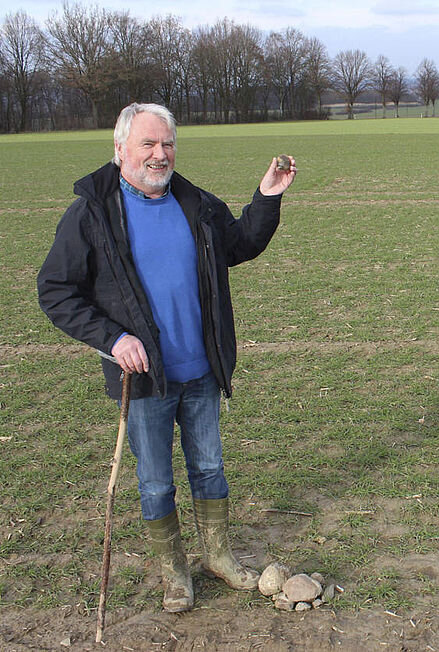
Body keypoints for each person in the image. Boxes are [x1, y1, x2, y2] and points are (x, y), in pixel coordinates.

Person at [37, 102, 296, 612]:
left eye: (167, 144)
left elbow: (240, 243)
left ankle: (218, 558)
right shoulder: (92, 213)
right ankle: (174, 574)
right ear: (119, 150)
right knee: (156, 481)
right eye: (148, 144)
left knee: (210, 469)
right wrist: (112, 340)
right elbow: (56, 291)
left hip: (201, 369)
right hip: (144, 380)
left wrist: (266, 196)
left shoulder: (193, 202)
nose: (160, 155)